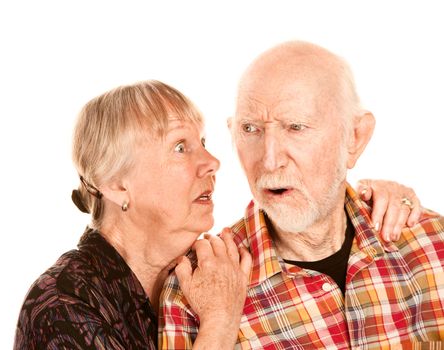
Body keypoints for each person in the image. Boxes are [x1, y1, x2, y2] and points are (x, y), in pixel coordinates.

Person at [159, 41, 444, 349]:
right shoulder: (196, 289)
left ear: (355, 137)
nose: (269, 160)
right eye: (250, 129)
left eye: (295, 127)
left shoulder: (432, 244)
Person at [13, 81, 252, 350]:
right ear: (116, 184)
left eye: (203, 142)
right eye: (180, 147)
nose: (212, 163)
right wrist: (220, 321)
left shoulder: (210, 277)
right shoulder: (61, 305)